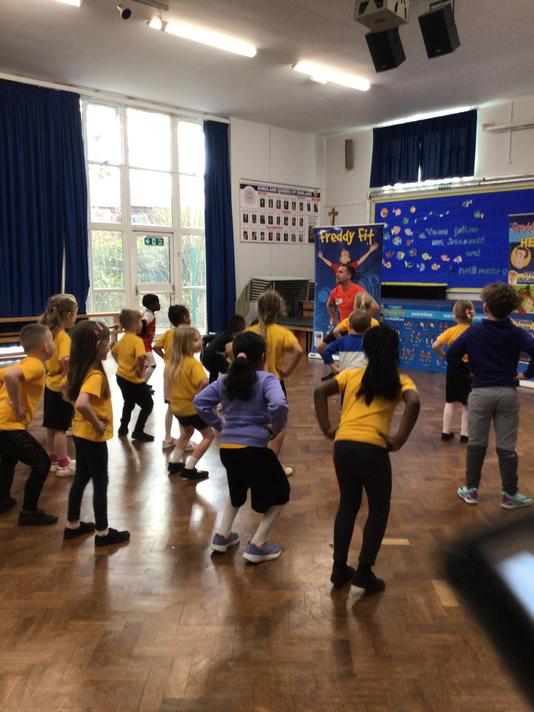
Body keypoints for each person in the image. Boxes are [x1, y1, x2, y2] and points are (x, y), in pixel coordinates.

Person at [314, 325, 420, 593]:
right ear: (395, 351)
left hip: (343, 446)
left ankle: (339, 568)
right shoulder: (400, 381)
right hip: (373, 449)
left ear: (365, 349)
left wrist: (327, 428)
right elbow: (414, 402)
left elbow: (319, 392)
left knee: (348, 505)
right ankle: (363, 571)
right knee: (379, 509)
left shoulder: (351, 374)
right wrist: (399, 439)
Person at [194, 332, 289, 563]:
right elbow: (279, 404)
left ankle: (222, 536)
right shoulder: (267, 380)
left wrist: (220, 425)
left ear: (235, 355)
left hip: (228, 451)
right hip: (255, 450)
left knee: (237, 491)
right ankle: (257, 545)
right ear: (262, 357)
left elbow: (199, 402)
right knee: (281, 494)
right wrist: (275, 428)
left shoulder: (224, 380)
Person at [447, 283, 534, 509]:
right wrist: (526, 374)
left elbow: (452, 355)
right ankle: (509, 494)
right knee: (506, 446)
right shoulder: (516, 332)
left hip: (480, 392)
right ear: (511, 309)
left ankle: (471, 490)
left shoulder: (473, 332)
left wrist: (468, 373)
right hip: (507, 393)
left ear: (485, 307)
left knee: (476, 443)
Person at [64, 321, 130, 547]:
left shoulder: (79, 368)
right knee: (101, 481)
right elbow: (82, 403)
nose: (109, 346)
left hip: (80, 433)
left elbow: (67, 392)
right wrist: (96, 423)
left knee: (82, 478)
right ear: (95, 345)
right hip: (92, 436)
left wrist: (85, 416)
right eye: (106, 342)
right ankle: (103, 533)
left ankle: (72, 525)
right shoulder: (94, 374)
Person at [0, 324, 58, 524]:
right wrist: (16, 405)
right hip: (9, 426)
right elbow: (10, 377)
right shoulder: (36, 365)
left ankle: (2, 500)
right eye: (52, 341)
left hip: (2, 424)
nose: (54, 344)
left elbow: (4, 376)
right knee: (42, 463)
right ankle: (29, 512)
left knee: (8, 460)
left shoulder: (25, 362)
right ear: (45, 346)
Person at [247, 290, 303, 476]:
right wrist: (288, 370)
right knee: (278, 425)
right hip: (274, 384)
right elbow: (298, 351)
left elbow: (231, 349)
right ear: (279, 310)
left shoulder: (249, 332)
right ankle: (271, 464)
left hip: (251, 383)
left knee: (255, 422)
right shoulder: (282, 332)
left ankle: (255, 462)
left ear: (259, 309)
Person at [166, 325, 214, 480]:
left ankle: (174, 463)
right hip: (192, 409)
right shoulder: (193, 364)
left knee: (187, 432)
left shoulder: (172, 363)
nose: (200, 342)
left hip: (178, 409)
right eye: (195, 340)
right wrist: (200, 396)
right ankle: (189, 468)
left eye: (199, 339)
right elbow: (204, 382)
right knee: (209, 436)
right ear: (185, 344)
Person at [40, 293, 78, 476]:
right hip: (61, 386)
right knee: (61, 428)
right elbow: (66, 360)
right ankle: (63, 464)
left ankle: (53, 460)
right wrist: (70, 380)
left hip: (49, 384)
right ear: (68, 315)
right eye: (75, 314)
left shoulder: (49, 334)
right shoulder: (63, 337)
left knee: (51, 426)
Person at [432, 300, 475, 443]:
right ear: (471, 314)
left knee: (449, 402)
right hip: (468, 370)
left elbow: (435, 345)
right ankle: (465, 435)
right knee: (467, 404)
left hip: (453, 369)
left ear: (455, 315)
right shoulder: (474, 331)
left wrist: (445, 355)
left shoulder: (451, 331)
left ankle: (445, 432)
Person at [111, 309, 154, 442]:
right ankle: (138, 431)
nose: (142, 324)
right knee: (148, 404)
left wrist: (120, 364)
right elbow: (141, 357)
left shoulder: (123, 339)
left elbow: (113, 351)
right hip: (134, 380)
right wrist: (140, 370)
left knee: (128, 403)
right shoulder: (137, 340)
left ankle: (123, 428)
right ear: (135, 325)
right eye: (140, 322)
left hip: (121, 377)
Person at [154, 304, 191, 449]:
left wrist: (165, 358)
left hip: (168, 373)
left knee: (170, 407)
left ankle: (167, 438)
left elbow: (156, 347)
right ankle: (184, 441)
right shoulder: (187, 334)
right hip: (181, 375)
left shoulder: (168, 333)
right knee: (183, 408)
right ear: (185, 318)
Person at [317, 291, 379, 357]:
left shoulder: (348, 321)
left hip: (346, 329)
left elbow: (335, 332)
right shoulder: (374, 322)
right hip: (346, 329)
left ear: (354, 306)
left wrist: (343, 343)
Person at [201, 314, 246, 383]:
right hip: (213, 358)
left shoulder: (222, 332)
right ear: (240, 325)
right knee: (233, 369)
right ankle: (230, 385)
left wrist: (204, 349)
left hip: (204, 356)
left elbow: (205, 338)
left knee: (214, 373)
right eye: (244, 324)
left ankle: (213, 386)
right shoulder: (235, 335)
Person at [140, 294, 160, 387]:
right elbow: (143, 322)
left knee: (145, 365)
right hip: (145, 345)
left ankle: (142, 382)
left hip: (145, 344)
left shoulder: (147, 313)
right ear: (152, 305)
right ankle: (142, 385)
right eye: (157, 303)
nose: (159, 304)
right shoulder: (149, 315)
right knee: (152, 364)